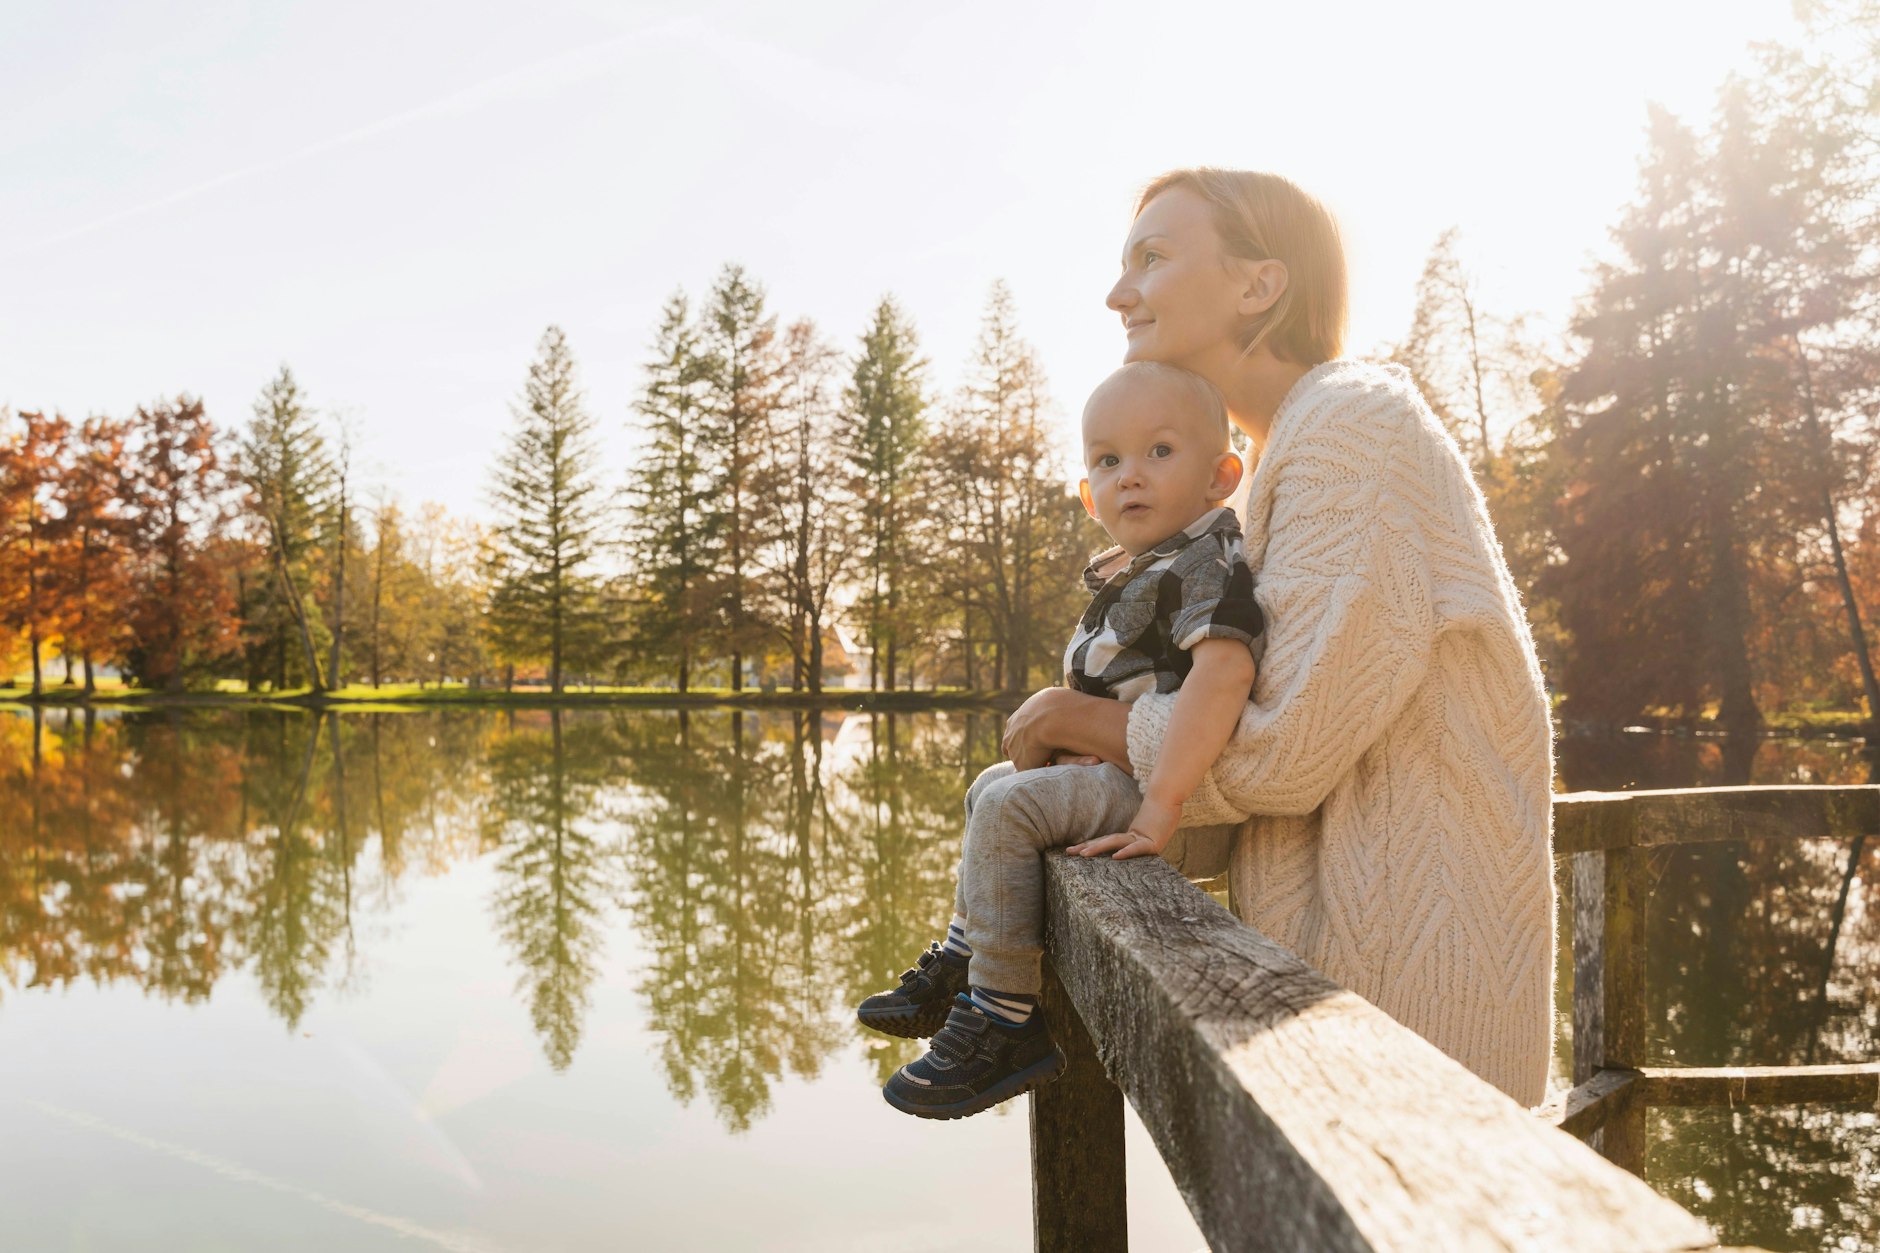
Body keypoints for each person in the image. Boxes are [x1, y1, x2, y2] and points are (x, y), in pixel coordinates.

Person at [1000, 168, 1557, 1107]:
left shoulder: (1352, 431)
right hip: (1335, 987)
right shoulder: (1269, 464)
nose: (1118, 293)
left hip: (1415, 999)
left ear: (1260, 285)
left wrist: (1078, 720)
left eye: (1152, 257)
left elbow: (1278, 751)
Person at [860, 360, 1265, 1120]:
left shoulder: (1205, 564)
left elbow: (1224, 675)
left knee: (1010, 807)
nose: (1130, 475)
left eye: (1160, 451)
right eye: (1108, 460)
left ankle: (1004, 1017)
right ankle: (965, 953)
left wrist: (1162, 806)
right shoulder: (1148, 565)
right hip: (1121, 777)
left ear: (1221, 476)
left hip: (1163, 800)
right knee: (990, 786)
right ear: (1088, 494)